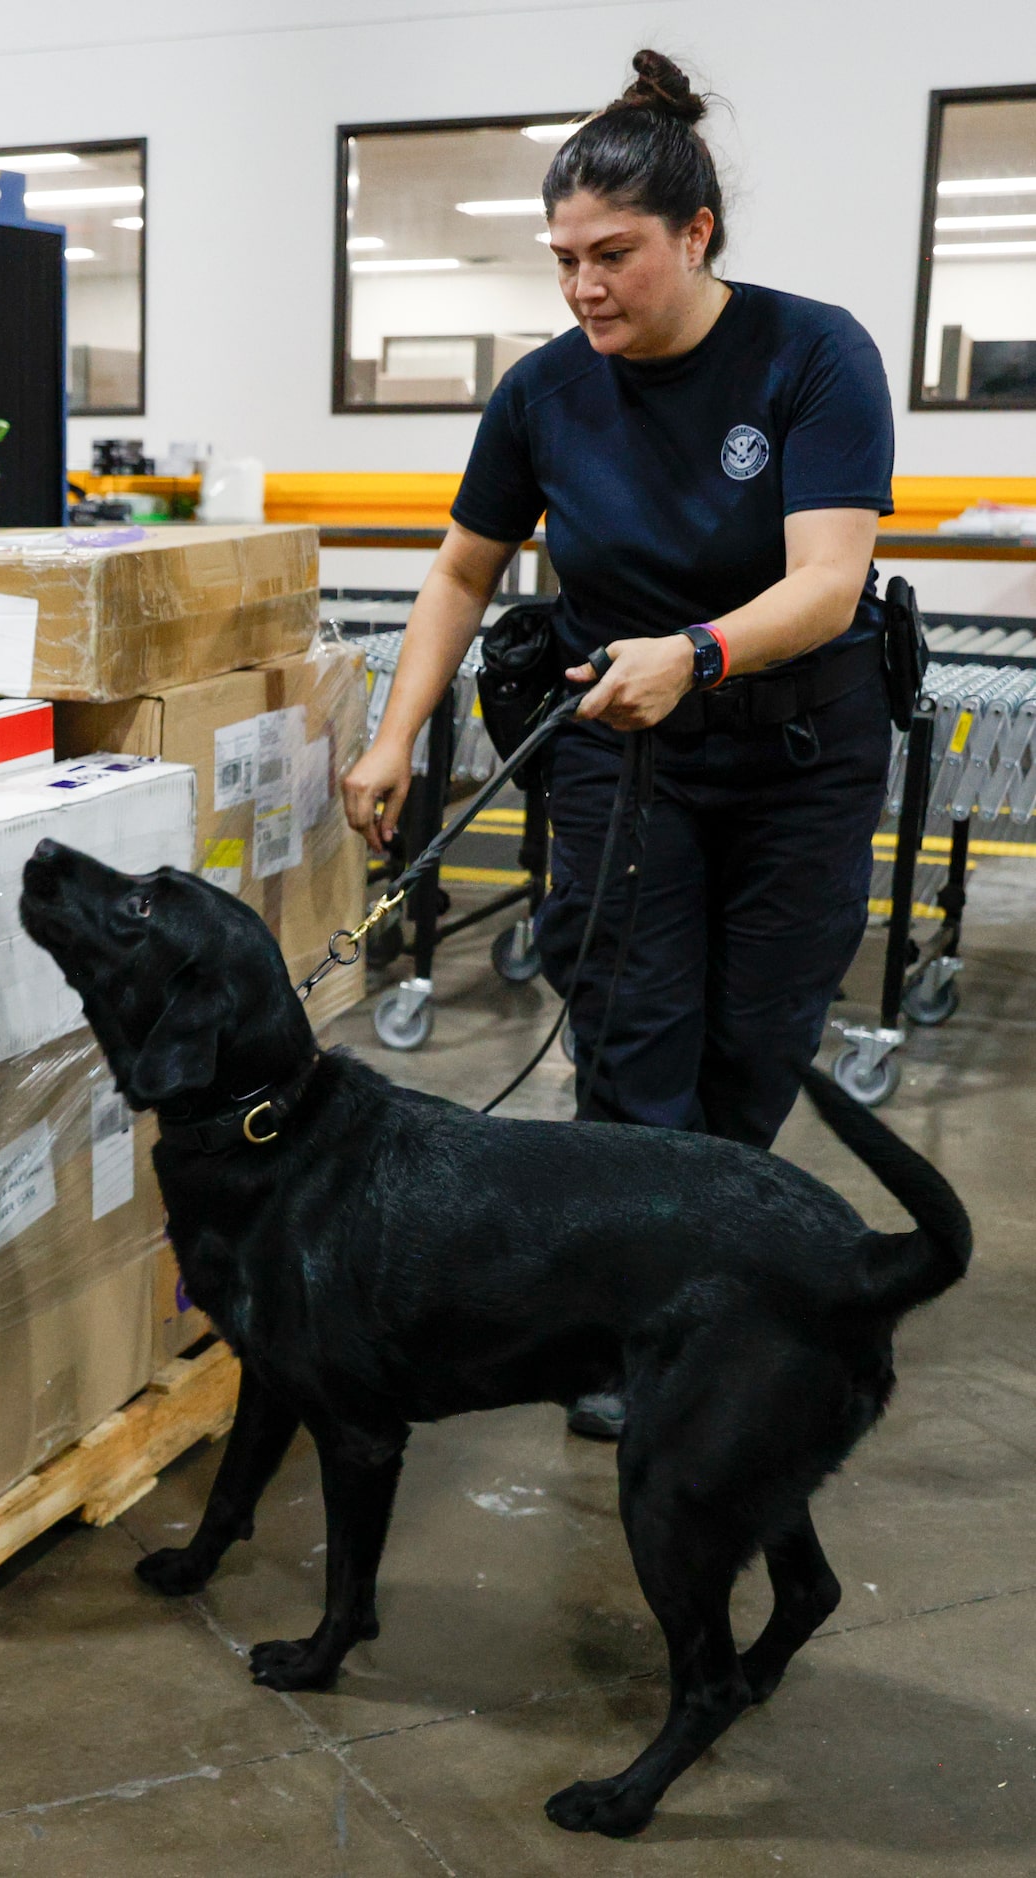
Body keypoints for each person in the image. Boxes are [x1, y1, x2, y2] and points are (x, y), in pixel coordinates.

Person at [340, 51, 896, 1439]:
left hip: (791, 757)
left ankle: (714, 1287)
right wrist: (391, 736)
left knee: (753, 1043)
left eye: (614, 254)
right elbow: (461, 575)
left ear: (695, 234)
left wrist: (698, 651)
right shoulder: (539, 393)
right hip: (615, 759)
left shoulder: (809, 351)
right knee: (632, 1048)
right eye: (563, 259)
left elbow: (827, 580)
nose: (584, 286)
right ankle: (633, 1322)